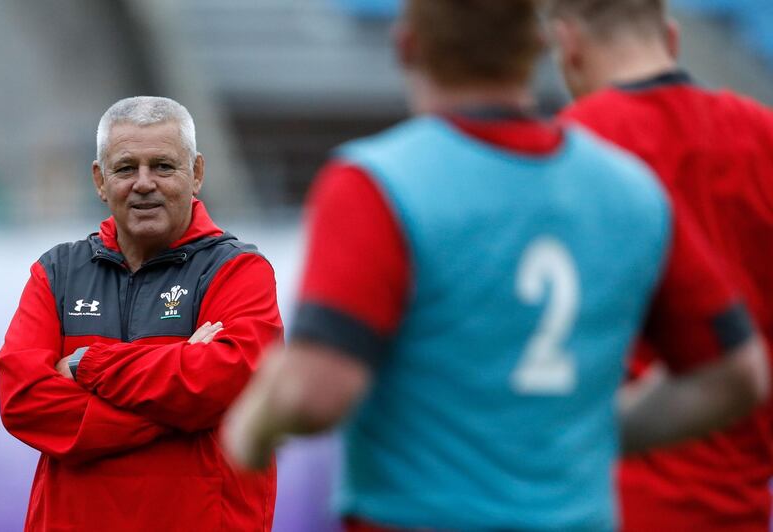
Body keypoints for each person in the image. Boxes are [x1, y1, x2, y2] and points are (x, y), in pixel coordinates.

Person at [218, 2, 770, 531]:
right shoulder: (625, 187)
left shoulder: (379, 182)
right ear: (538, 46)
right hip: (620, 510)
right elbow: (734, 375)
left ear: (407, 45)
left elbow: (319, 389)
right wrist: (583, 433)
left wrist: (253, 430)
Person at [0, 96, 283, 531]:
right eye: (126, 168)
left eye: (163, 166)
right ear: (100, 179)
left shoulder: (238, 270)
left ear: (197, 173)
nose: (144, 183)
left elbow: (223, 380)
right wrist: (175, 398)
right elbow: (24, 401)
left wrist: (86, 363)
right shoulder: (56, 272)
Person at [549, 1, 773, 529]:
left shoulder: (560, 154)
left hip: (601, 504)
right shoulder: (765, 139)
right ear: (670, 38)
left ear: (568, 44)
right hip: (739, 505)